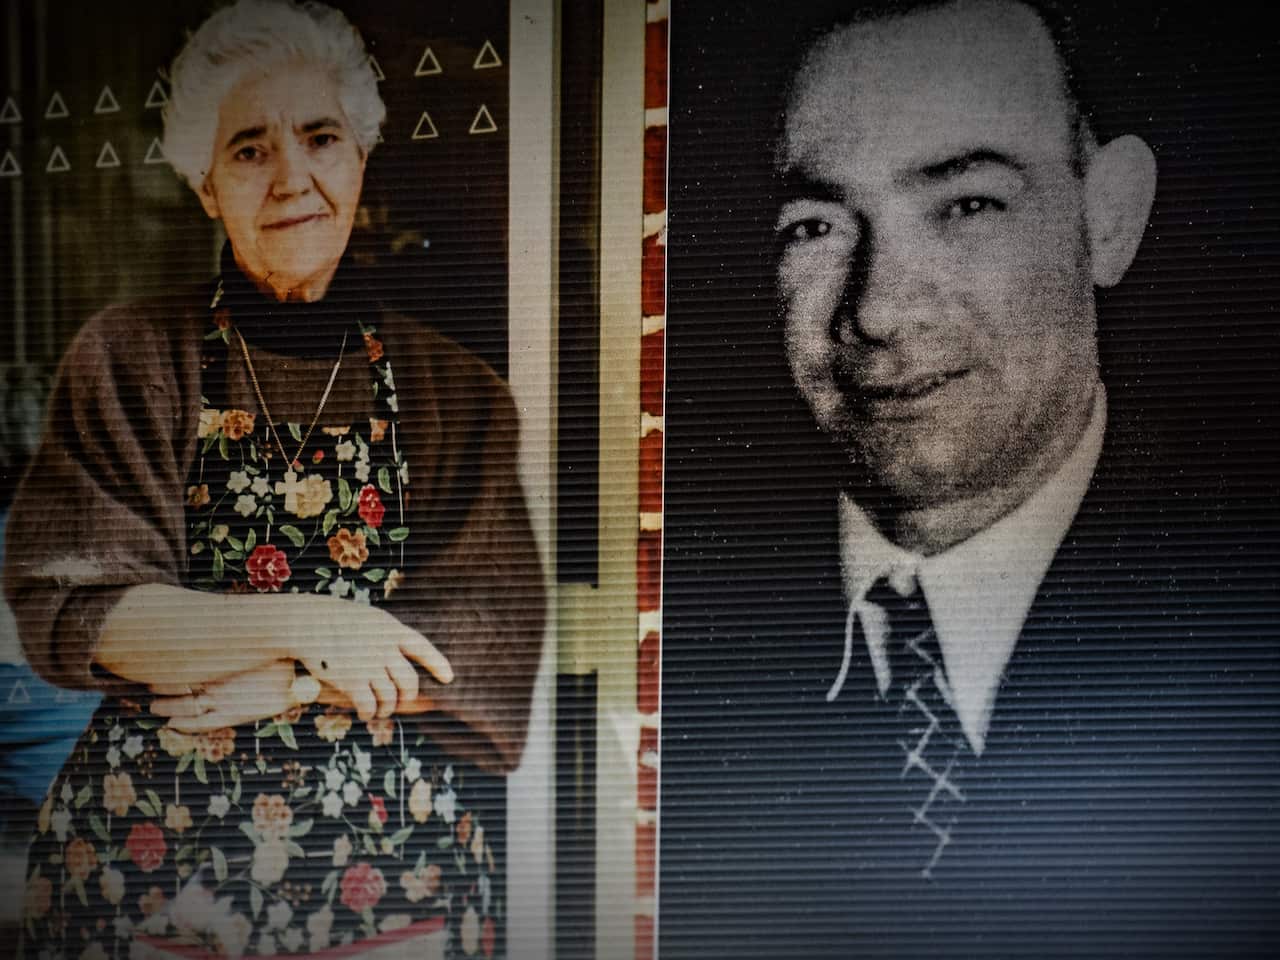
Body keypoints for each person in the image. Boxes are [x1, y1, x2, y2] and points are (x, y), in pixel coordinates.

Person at [660, 0, 1279, 956]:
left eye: (968, 205)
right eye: (817, 225)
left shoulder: (1239, 608)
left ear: (1107, 217)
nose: (879, 311)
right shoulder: (668, 627)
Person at [3, 1, 544, 957]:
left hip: (388, 864)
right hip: (150, 858)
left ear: (361, 157)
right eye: (249, 149)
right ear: (205, 186)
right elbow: (85, 610)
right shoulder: (129, 358)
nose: (292, 177)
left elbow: (482, 637)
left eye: (319, 137)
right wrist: (323, 624)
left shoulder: (455, 392)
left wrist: (291, 683)